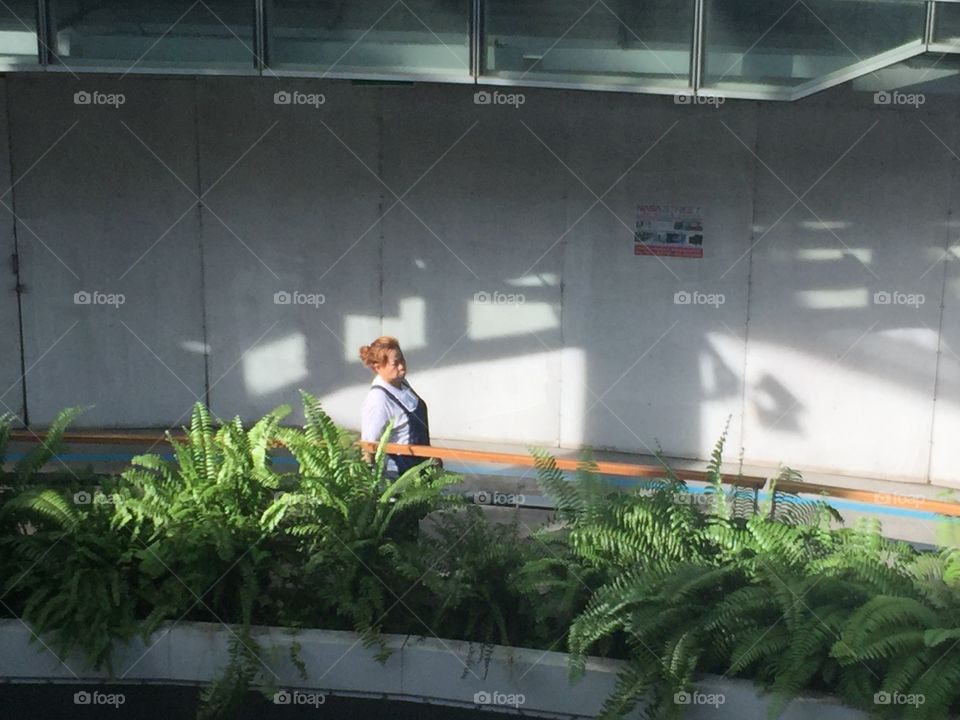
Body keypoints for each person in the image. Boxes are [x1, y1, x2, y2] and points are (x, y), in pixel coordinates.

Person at [359, 336, 436, 477]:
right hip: (399, 476)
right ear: (378, 367)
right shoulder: (378, 400)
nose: (402, 366)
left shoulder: (402, 383)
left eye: (402, 360)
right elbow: (368, 446)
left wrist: (431, 457)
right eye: (395, 363)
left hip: (421, 469)